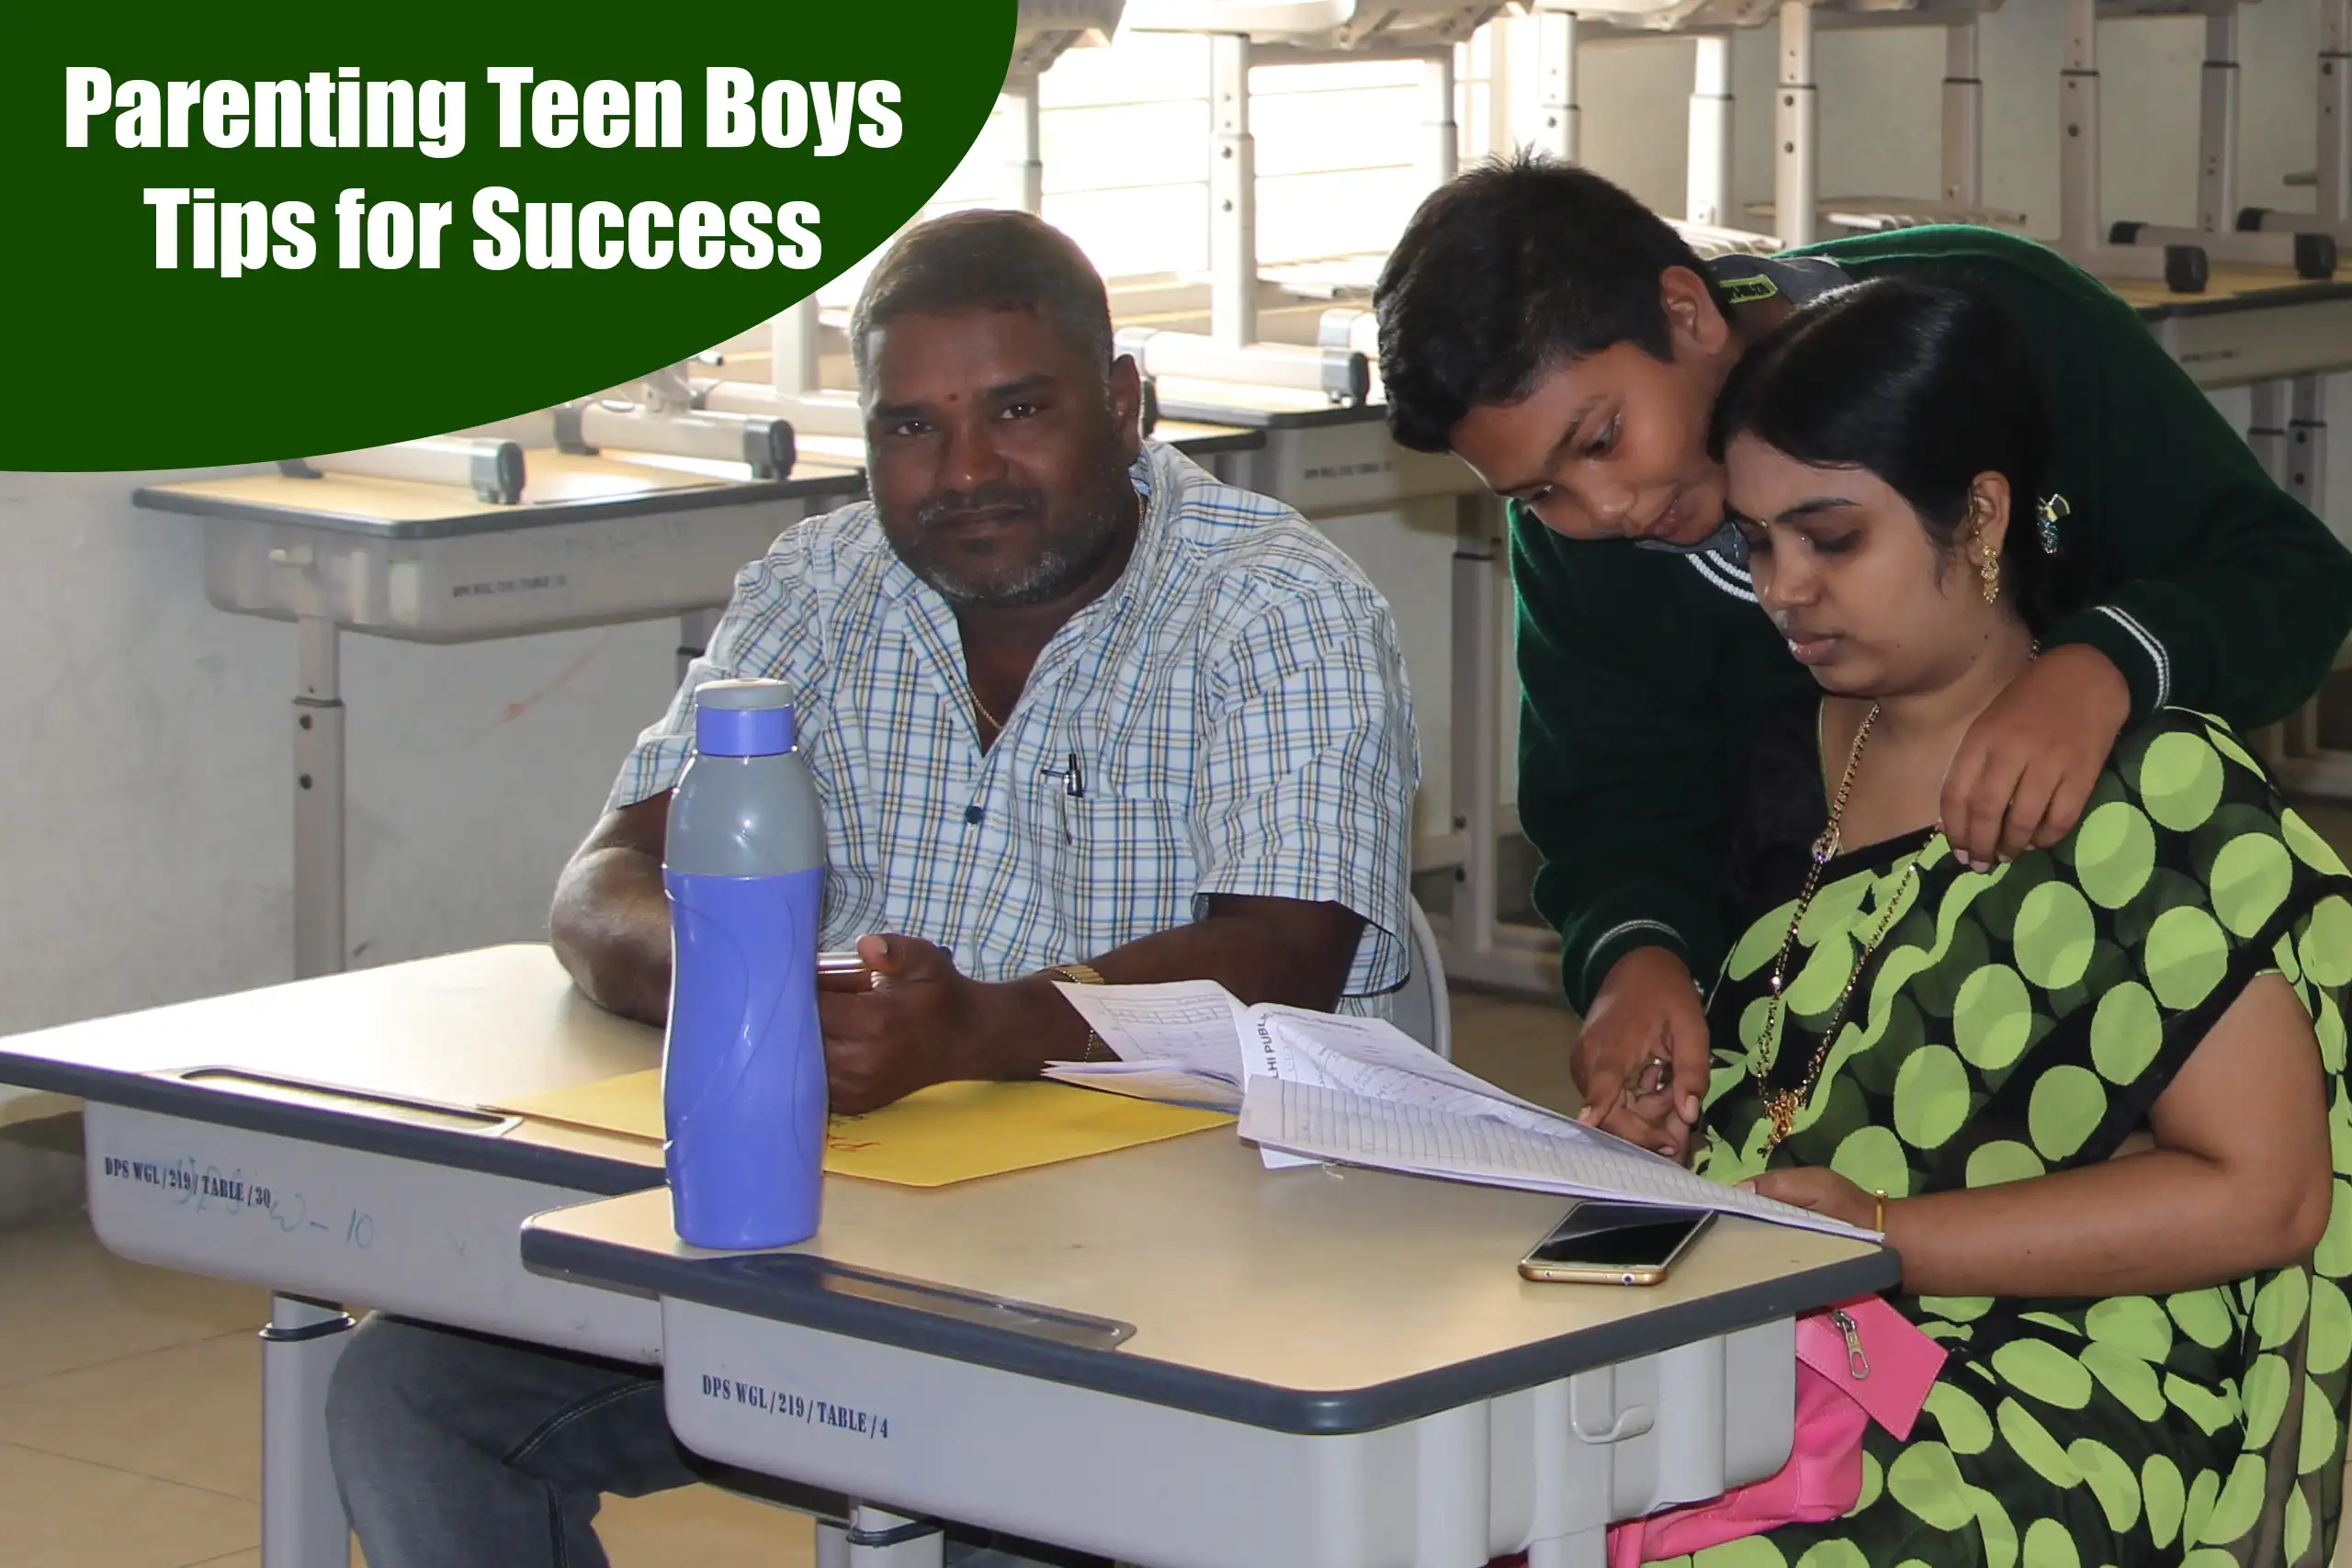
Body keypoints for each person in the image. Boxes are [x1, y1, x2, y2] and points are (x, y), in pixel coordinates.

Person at [323, 208, 1419, 1568]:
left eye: (1019, 408)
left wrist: (984, 1028)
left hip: (1190, 1268)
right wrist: (762, 989)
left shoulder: (1277, 605)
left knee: (1002, 1506)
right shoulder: (824, 582)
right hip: (865, 1238)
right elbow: (607, 879)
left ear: (1127, 401)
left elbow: (1288, 953)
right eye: (911, 427)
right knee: (412, 1391)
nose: (967, 469)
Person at [1373, 152, 2352, 1163]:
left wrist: (2101, 665)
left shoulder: (1999, 323)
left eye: (1601, 438)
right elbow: (1612, 804)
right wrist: (1637, 957)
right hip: (1836, 1036)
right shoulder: (1586, 545)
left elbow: (2287, 579)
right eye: (1535, 494)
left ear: (1687, 311)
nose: (1601, 509)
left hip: (2122, 920)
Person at [1673, 277, 2351, 1567]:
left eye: (1830, 538)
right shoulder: (1788, 755)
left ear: (1979, 516)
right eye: (1758, 542)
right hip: (1786, 1311)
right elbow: (1790, 1077)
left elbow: (2267, 1198)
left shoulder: (2153, 794)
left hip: (2072, 1360)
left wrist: (1879, 1236)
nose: (1783, 589)